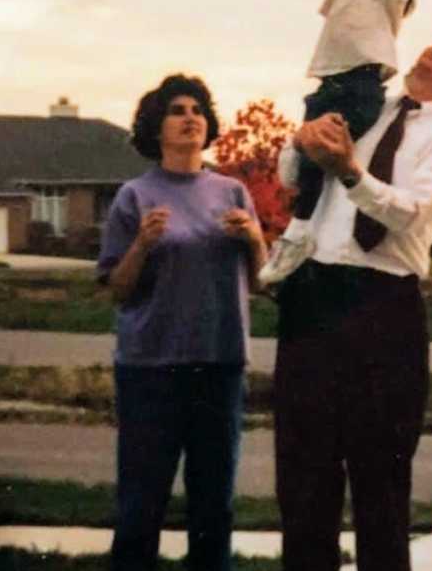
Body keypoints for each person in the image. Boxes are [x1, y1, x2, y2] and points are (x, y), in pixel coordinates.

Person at [273, 27, 432, 571]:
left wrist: (351, 169)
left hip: (382, 306)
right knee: (303, 481)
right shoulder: (363, 103)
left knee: (381, 486)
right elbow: (288, 177)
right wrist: (300, 143)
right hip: (313, 299)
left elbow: (409, 213)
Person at [97, 74, 267, 571]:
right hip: (151, 370)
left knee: (213, 506)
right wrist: (142, 245)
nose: (190, 116)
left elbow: (261, 281)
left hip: (219, 366)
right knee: (140, 506)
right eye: (177, 109)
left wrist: (255, 239)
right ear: (156, 126)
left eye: (197, 109)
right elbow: (118, 291)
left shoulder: (232, 191)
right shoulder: (134, 196)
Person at [259, 0, 428, 283]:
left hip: (361, 87)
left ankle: (297, 234)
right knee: (306, 157)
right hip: (326, 86)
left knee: (321, 155)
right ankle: (300, 227)